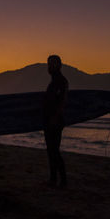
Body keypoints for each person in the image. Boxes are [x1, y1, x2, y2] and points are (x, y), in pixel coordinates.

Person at [43, 55, 68, 188]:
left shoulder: (60, 81)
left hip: (55, 121)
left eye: (52, 64)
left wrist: (54, 118)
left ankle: (63, 180)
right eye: (48, 64)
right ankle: (53, 179)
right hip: (48, 120)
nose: (50, 66)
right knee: (50, 150)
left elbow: (63, 101)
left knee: (54, 151)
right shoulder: (53, 82)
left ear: (59, 65)